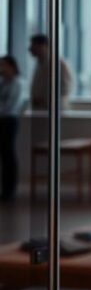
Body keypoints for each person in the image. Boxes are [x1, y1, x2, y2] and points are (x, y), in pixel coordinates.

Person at [0, 56, 24, 201]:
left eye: (3, 65)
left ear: (12, 66)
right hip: (2, 120)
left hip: (9, 120)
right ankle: (4, 189)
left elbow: (10, 105)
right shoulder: (3, 83)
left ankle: (9, 190)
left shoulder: (18, 84)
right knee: (4, 155)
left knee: (8, 154)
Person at [29, 34, 73, 110]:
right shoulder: (38, 64)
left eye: (33, 45)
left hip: (54, 110)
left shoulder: (59, 64)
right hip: (40, 110)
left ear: (44, 46)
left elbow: (66, 87)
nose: (30, 49)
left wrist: (46, 100)